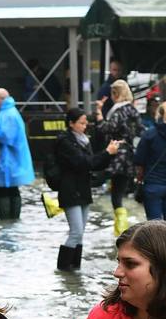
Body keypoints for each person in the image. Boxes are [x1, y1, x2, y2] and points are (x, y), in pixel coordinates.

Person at [51, 107, 119, 271]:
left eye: (85, 122)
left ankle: (75, 268)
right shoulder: (65, 141)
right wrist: (106, 153)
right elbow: (83, 162)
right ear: (71, 124)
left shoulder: (84, 139)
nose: (85, 125)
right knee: (76, 231)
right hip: (70, 190)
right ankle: (63, 268)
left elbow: (94, 163)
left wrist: (109, 154)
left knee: (80, 233)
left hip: (83, 189)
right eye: (81, 123)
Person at [94, 79, 144, 235]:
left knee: (94, 180)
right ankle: (121, 228)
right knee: (118, 191)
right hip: (129, 156)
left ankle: (58, 204)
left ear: (115, 94)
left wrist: (99, 113)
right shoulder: (134, 111)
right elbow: (140, 131)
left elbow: (106, 128)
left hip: (116, 154)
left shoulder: (118, 111)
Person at [0, 88, 34, 221]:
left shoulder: (8, 114)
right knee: (12, 190)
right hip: (11, 160)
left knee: (4, 191)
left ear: (1, 99)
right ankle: (12, 220)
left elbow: (8, 135)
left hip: (8, 160)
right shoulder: (10, 112)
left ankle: (6, 220)